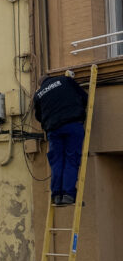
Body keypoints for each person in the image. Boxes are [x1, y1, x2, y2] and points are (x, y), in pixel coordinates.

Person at [33, 71, 88, 206]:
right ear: (50, 78)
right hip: (72, 124)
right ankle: (68, 195)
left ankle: (57, 195)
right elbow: (84, 97)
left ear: (40, 84)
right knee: (71, 158)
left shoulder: (38, 95)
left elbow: (38, 117)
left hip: (53, 130)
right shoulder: (65, 80)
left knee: (57, 162)